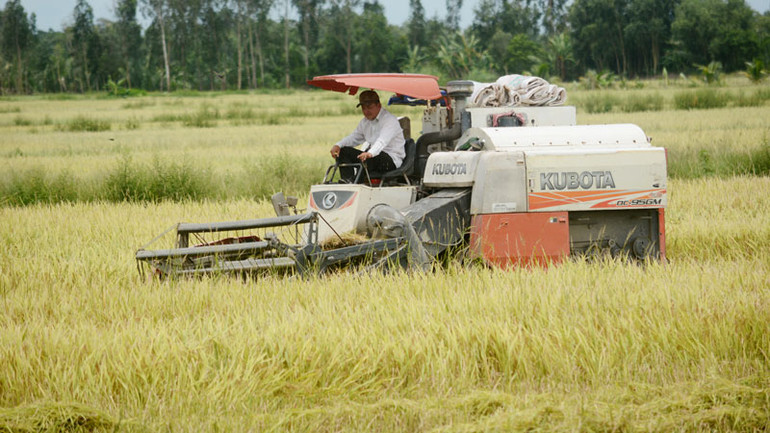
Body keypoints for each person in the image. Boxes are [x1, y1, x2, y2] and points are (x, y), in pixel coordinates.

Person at [329, 90, 405, 183]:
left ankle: (356, 182)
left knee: (370, 158)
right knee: (344, 151)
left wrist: (370, 153)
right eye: (363, 108)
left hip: (391, 160)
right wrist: (338, 145)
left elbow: (382, 141)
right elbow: (354, 137)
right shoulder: (365, 122)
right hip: (372, 157)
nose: (366, 111)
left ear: (379, 105)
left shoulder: (389, 120)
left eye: (369, 107)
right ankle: (347, 181)